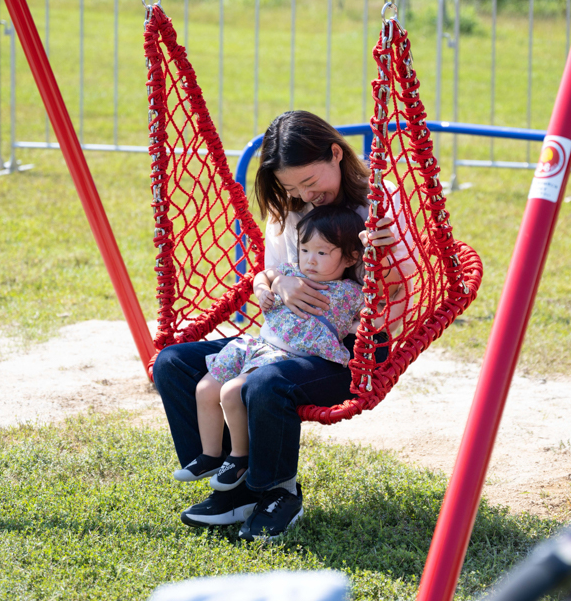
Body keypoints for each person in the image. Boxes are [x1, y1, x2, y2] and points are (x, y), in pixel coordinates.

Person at [153, 110, 409, 541]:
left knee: (264, 384)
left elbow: (400, 298)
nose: (306, 195)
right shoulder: (291, 208)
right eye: (292, 187)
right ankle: (233, 480)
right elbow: (271, 273)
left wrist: (383, 255)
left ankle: (275, 491)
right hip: (284, 338)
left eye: (310, 182)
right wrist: (272, 282)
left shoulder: (380, 206)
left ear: (335, 154)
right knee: (173, 363)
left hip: (347, 348)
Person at [172, 205, 366, 493]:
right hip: (255, 345)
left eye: (322, 253)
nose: (310, 260)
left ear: (350, 257)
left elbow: (378, 312)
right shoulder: (290, 271)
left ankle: (239, 458)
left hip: (287, 358)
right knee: (205, 389)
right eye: (304, 250)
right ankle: (211, 455)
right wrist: (264, 289)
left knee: (230, 392)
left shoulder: (350, 292)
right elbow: (262, 275)